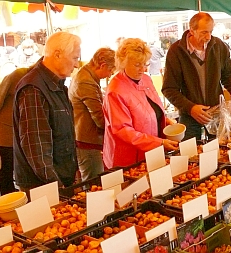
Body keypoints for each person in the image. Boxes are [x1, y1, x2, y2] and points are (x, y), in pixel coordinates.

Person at [13, 32, 81, 194]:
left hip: (59, 179)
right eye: (75, 58)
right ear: (57, 55)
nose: (77, 64)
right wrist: (59, 188)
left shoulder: (56, 84)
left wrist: (73, 170)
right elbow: (37, 150)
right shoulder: (34, 89)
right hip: (42, 186)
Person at [162, 12, 231, 141]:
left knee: (220, 153)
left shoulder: (219, 46)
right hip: (189, 115)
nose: (208, 37)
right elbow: (169, 89)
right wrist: (191, 108)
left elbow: (228, 75)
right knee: (190, 155)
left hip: (216, 113)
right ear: (191, 30)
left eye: (210, 31)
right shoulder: (176, 51)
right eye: (204, 32)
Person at [103, 38, 178, 169]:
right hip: (129, 158)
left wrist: (165, 121)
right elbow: (123, 130)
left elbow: (150, 111)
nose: (143, 69)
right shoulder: (115, 91)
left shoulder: (146, 80)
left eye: (145, 64)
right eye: (137, 65)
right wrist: (159, 142)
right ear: (123, 63)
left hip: (151, 153)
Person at [0, 60, 41, 195]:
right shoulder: (18, 75)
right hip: (6, 134)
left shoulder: (42, 82)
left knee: (17, 171)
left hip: (23, 135)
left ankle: (14, 197)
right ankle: (6, 206)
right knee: (6, 170)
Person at [69, 48, 115, 181]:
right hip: (87, 141)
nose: (110, 75)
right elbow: (99, 117)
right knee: (93, 182)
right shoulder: (86, 81)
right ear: (103, 65)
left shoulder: (86, 75)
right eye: (110, 70)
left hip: (86, 139)